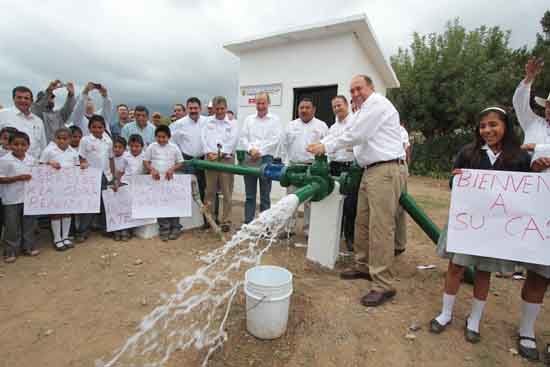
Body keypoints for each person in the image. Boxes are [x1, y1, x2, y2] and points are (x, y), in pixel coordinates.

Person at [428, 107, 531, 344]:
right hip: (468, 223)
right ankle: (446, 313)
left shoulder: (520, 158)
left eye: (493, 124)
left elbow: (526, 193)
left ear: (506, 126)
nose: (487, 130)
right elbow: (454, 184)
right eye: (483, 126)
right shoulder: (468, 153)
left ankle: (474, 319)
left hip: (496, 228)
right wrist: (456, 179)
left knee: (484, 272)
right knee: (456, 267)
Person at [308, 75, 406, 307]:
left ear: (371, 87)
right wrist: (321, 142)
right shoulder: (360, 112)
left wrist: (326, 146)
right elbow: (343, 132)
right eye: (351, 91)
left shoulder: (378, 104)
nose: (355, 94)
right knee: (361, 222)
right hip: (368, 170)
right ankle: (363, 266)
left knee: (380, 227)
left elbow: (356, 135)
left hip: (385, 169)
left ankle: (383, 284)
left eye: (358, 89)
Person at [512, 57, 550, 361]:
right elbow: (519, 105)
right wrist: (527, 80)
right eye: (549, 105)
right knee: (539, 272)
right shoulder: (534, 124)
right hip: (538, 211)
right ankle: (526, 330)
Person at [280, 98, 328, 236]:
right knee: (291, 199)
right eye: (301, 108)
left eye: (307, 107)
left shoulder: (322, 126)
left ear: (313, 110)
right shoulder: (290, 125)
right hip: (294, 168)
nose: (304, 110)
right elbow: (283, 146)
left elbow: (328, 147)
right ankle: (288, 229)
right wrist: (285, 165)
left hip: (312, 169)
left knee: (311, 201)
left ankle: (309, 230)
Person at [39, 127, 84, 251]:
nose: (62, 141)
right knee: (56, 212)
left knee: (67, 211)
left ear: (69, 139)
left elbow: (77, 168)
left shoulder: (73, 153)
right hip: (53, 187)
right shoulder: (49, 151)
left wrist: (83, 166)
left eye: (65, 138)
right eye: (59, 138)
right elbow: (40, 166)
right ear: (55, 138)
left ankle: (65, 237)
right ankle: (57, 238)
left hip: (68, 187)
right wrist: (49, 164)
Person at [240, 92, 282, 224]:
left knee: (265, 195)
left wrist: (260, 151)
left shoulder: (275, 120)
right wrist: (250, 150)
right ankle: (248, 223)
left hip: (266, 159)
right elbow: (243, 137)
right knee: (250, 195)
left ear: (268, 103)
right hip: (250, 158)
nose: (260, 106)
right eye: (258, 103)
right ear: (255, 104)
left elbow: (276, 139)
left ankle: (264, 225)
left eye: (263, 103)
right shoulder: (249, 119)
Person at [324, 95, 357, 252]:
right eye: (334, 107)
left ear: (346, 105)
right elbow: (327, 144)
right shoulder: (333, 127)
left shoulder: (355, 122)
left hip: (350, 168)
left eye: (339, 105)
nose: (337, 109)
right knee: (335, 202)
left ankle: (350, 238)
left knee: (350, 205)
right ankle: (334, 236)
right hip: (335, 167)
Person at [201, 96, 239, 232]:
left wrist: (220, 153)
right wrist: (208, 152)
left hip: (226, 159)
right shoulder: (207, 122)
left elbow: (232, 142)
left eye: (222, 108)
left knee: (227, 191)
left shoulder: (233, 123)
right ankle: (210, 219)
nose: (220, 111)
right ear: (213, 109)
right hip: (210, 159)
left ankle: (226, 221)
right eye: (217, 109)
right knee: (210, 191)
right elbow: (203, 138)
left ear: (226, 108)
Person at [0, 131, 39, 263]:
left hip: (29, 198)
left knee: (29, 224)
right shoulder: (5, 160)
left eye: (23, 144)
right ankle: (10, 251)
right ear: (10, 145)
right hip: (11, 198)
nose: (19, 147)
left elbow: (40, 174)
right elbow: (1, 179)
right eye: (16, 144)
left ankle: (28, 247)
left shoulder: (32, 159)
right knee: (12, 226)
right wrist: (17, 178)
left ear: (28, 146)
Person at [143, 125, 184, 241]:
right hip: (156, 181)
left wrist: (172, 169)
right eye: (158, 137)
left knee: (173, 204)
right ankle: (164, 229)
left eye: (164, 137)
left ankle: (176, 228)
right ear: (155, 137)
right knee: (160, 205)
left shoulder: (174, 147)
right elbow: (145, 161)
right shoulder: (152, 147)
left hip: (170, 180)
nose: (161, 139)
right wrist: (152, 169)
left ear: (169, 137)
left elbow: (181, 162)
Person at [76, 115, 113, 242]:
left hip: (106, 175)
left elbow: (111, 159)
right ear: (89, 128)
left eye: (100, 127)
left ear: (104, 128)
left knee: (105, 203)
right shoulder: (85, 140)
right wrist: (83, 163)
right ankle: (83, 231)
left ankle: (105, 228)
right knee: (89, 203)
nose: (97, 130)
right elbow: (81, 156)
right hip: (90, 175)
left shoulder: (108, 141)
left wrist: (112, 176)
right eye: (94, 127)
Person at [170, 97, 207, 205]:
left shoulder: (207, 121)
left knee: (203, 188)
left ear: (200, 108)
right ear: (187, 109)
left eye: (195, 108)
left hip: (204, 160)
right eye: (190, 108)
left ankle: (203, 218)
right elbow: (172, 142)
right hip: (187, 161)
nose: (193, 110)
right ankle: (189, 220)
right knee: (187, 189)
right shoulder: (179, 124)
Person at [0, 86, 47, 159]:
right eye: (19, 97)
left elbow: (43, 146)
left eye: (26, 98)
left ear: (31, 101)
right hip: (7, 166)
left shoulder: (38, 121)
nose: (23, 100)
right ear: (13, 99)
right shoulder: (3, 114)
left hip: (33, 165)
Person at [395, 121, 411, 256]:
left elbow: (405, 150)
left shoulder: (400, 130)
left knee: (398, 207)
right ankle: (398, 243)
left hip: (398, 166)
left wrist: (406, 169)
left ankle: (398, 243)